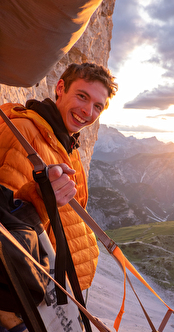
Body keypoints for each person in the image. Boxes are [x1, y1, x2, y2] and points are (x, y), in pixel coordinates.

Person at [0, 62, 118, 290]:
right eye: (82, 96)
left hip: (57, 287)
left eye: (97, 107)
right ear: (61, 88)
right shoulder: (25, 133)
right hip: (31, 288)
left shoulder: (66, 145)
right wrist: (42, 197)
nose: (88, 112)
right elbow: (5, 225)